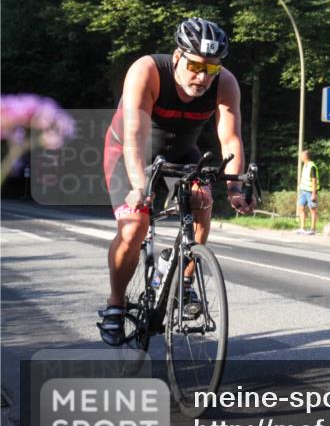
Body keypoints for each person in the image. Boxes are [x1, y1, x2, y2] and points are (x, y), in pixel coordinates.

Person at [98, 17, 254, 345]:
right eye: (195, 65)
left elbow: (231, 139)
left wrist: (236, 188)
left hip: (182, 154)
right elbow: (134, 138)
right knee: (133, 227)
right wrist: (140, 187)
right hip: (129, 150)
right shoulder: (148, 71)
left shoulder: (225, 83)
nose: (201, 76)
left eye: (210, 69)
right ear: (178, 56)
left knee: (203, 199)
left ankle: (182, 279)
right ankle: (115, 304)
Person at [296, 149, 319, 235]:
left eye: (302, 155)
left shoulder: (312, 166)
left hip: (310, 192)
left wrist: (314, 193)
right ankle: (302, 228)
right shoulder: (305, 165)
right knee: (300, 208)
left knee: (312, 210)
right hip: (303, 191)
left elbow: (314, 180)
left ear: (306, 156)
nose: (300, 157)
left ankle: (313, 229)